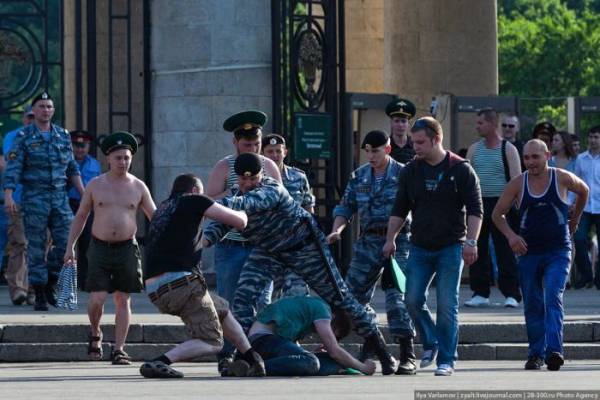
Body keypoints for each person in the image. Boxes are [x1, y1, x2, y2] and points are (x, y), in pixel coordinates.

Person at [202, 153, 399, 375]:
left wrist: (203, 203)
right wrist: (202, 242)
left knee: (340, 298)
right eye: (243, 180)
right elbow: (221, 223)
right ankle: (245, 356)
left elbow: (248, 203)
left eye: (253, 178)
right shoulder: (236, 196)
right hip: (269, 250)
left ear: (262, 175)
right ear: (236, 178)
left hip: (305, 248)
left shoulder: (271, 189)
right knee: (243, 298)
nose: (248, 184)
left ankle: (382, 350)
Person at [383, 117, 483, 376]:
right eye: (414, 142)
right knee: (412, 299)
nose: (415, 147)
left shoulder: (460, 169)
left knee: (447, 304)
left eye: (420, 142)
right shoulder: (410, 171)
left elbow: (475, 210)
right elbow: (400, 209)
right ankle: (431, 341)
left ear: (437, 139)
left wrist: (471, 241)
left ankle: (447, 360)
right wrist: (390, 238)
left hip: (451, 247)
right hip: (419, 247)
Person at [139, 173, 265, 379]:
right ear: (196, 190)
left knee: (222, 309)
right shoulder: (195, 200)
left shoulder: (163, 208)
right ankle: (160, 362)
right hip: (181, 283)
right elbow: (238, 221)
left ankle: (251, 357)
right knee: (213, 341)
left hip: (156, 289)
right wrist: (245, 208)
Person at [491, 139, 588, 371]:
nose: (531, 162)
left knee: (553, 295)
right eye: (526, 158)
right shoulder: (518, 184)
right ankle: (536, 354)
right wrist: (511, 237)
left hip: (558, 250)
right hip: (529, 252)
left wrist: (575, 218)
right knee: (533, 303)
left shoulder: (562, 177)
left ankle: (554, 351)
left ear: (547, 155)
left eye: (535, 157)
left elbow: (583, 190)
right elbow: (497, 214)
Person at [326, 130, 416, 375]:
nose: (371, 155)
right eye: (367, 151)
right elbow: (345, 207)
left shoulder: (404, 173)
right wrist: (337, 230)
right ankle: (373, 343)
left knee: (396, 297)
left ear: (387, 149)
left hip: (399, 241)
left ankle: (408, 354)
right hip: (368, 241)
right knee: (350, 297)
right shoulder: (359, 176)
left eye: (376, 150)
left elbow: (416, 205)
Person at [64, 131, 156, 365]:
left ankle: (119, 349)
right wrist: (70, 247)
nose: (123, 162)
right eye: (118, 158)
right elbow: (81, 216)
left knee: (123, 298)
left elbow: (155, 218)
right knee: (97, 298)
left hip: (127, 248)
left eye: (127, 157)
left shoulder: (138, 186)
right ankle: (95, 333)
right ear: (108, 159)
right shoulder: (96, 185)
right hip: (99, 247)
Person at [205, 110, 282, 372]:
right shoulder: (224, 167)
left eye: (256, 144)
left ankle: (259, 353)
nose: (253, 149)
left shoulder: (269, 166)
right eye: (247, 144)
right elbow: (208, 201)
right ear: (235, 142)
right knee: (228, 302)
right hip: (231, 246)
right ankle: (227, 355)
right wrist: (234, 192)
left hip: (262, 246)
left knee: (262, 301)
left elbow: (280, 203)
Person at [3, 93, 85, 311]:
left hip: (59, 198)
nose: (46, 110)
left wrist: (83, 192)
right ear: (34, 110)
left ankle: (51, 280)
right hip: (35, 198)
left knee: (67, 242)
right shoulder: (24, 136)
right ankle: (39, 293)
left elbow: (71, 168)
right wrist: (9, 194)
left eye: (49, 106)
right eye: (41, 106)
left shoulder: (62, 136)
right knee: (37, 247)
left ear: (53, 110)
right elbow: (13, 168)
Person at [465, 108, 522, 308]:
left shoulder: (508, 149)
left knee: (505, 249)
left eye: (480, 123)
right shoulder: (474, 149)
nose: (477, 126)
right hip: (478, 205)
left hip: (502, 205)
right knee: (477, 248)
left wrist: (510, 205)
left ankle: (512, 293)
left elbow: (517, 180)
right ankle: (480, 292)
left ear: (491, 124)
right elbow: (468, 179)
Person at [248, 296, 376, 376]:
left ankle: (257, 367)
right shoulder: (323, 310)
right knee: (312, 362)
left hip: (272, 343)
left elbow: (288, 346)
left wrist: (304, 354)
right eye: (333, 333)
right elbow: (335, 351)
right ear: (333, 318)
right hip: (262, 340)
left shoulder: (311, 311)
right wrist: (363, 367)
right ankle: (253, 367)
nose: (326, 337)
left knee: (333, 362)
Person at [261, 133, 312, 298]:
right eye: (270, 151)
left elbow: (308, 209)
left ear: (285, 152)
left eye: (278, 151)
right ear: (263, 153)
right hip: (268, 247)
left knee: (297, 296)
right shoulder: (257, 179)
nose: (275, 155)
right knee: (267, 300)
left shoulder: (299, 177)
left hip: (295, 246)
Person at [1, 106, 33, 306]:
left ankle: (34, 289)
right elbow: (11, 164)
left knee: (40, 246)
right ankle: (18, 288)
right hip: (19, 198)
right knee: (19, 242)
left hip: (43, 199)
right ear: (24, 118)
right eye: (29, 116)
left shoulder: (52, 135)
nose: (31, 120)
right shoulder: (13, 136)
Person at [68, 130, 101, 289]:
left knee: (87, 243)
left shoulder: (94, 164)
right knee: (67, 243)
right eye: (76, 145)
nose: (80, 149)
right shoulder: (64, 161)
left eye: (83, 146)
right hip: (69, 204)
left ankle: (85, 280)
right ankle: (66, 282)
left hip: (88, 207)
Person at [572, 126, 600, 289]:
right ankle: (586, 274)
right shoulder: (581, 159)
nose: (593, 140)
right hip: (585, 206)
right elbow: (575, 182)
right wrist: (570, 202)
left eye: (596, 137)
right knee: (579, 238)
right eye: (590, 137)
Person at [386, 97, 417, 164]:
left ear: (409, 123)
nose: (400, 125)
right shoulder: (384, 146)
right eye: (396, 121)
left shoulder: (416, 145)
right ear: (391, 122)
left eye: (403, 121)